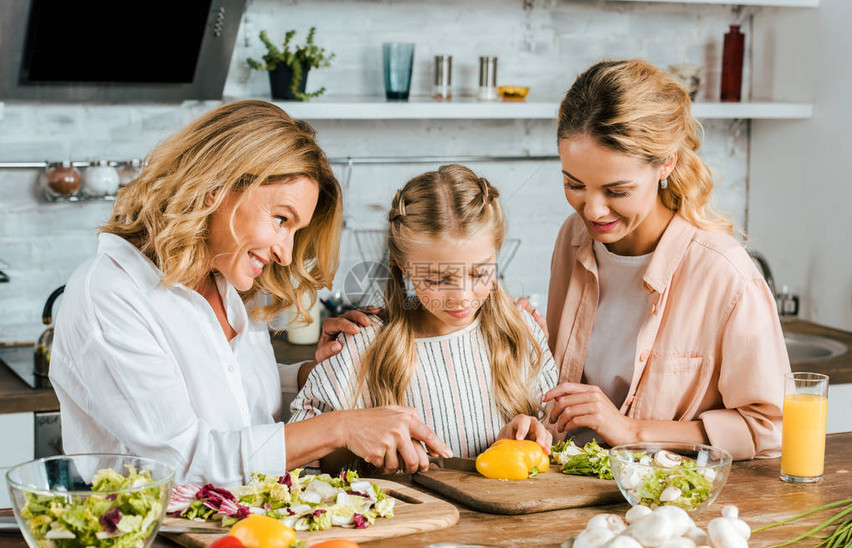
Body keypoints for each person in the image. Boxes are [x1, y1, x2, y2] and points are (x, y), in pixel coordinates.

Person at [49, 100, 450, 485]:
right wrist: (340, 428)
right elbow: (182, 461)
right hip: (154, 544)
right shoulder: (110, 294)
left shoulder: (228, 282)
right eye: (280, 219)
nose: (285, 251)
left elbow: (229, 399)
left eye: (294, 230)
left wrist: (319, 374)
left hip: (243, 529)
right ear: (216, 187)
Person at [542, 60, 789, 461]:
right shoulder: (573, 238)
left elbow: (771, 427)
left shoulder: (724, 273)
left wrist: (632, 431)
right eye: (574, 184)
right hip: (564, 486)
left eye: (617, 190)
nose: (593, 211)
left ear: (666, 164)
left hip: (666, 503)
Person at [289, 164, 559, 471]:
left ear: (497, 254)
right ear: (403, 266)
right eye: (438, 278)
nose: (461, 296)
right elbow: (307, 461)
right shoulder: (363, 343)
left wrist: (525, 438)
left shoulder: (523, 333)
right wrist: (361, 447)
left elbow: (556, 439)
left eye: (480, 272)